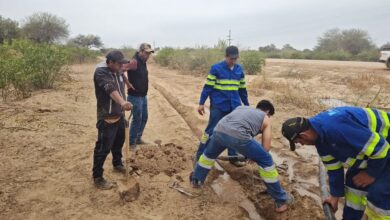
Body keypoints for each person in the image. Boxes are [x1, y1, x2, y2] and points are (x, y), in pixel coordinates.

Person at [282, 106, 390, 219]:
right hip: (373, 153)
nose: (302, 145)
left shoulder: (336, 129)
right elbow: (334, 170)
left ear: (304, 135)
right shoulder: (320, 140)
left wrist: (370, 174)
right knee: (354, 185)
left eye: (299, 142)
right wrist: (335, 196)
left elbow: (381, 148)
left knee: (379, 192)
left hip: (386, 147)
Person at [191, 100, 294, 213]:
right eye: (270, 115)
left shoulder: (242, 108)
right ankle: (280, 200)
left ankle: (196, 180)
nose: (269, 117)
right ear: (268, 112)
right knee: (266, 160)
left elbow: (238, 128)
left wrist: (251, 153)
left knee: (208, 156)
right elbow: (266, 148)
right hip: (238, 135)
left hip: (218, 131)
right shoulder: (265, 118)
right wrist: (257, 156)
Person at [196, 45, 249, 167]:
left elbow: (242, 90)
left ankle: (233, 158)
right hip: (218, 107)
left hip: (234, 107)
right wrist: (201, 103)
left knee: (233, 132)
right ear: (226, 56)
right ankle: (199, 155)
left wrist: (246, 106)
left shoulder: (239, 70)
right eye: (231, 58)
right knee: (210, 131)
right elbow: (208, 87)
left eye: (235, 58)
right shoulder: (216, 69)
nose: (233, 61)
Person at [92, 50, 133, 189]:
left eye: (122, 63)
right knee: (103, 148)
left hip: (119, 114)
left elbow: (122, 74)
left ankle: (117, 164)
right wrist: (122, 103)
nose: (122, 66)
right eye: (119, 63)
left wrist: (128, 84)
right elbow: (110, 89)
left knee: (118, 142)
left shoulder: (117, 69)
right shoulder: (101, 72)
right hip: (107, 116)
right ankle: (97, 177)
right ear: (110, 62)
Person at [122, 43, 154, 150]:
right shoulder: (134, 62)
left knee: (144, 117)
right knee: (137, 119)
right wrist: (127, 83)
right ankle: (131, 143)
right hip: (135, 96)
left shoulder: (143, 62)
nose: (147, 55)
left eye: (149, 53)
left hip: (142, 95)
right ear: (140, 52)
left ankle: (138, 138)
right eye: (146, 53)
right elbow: (119, 70)